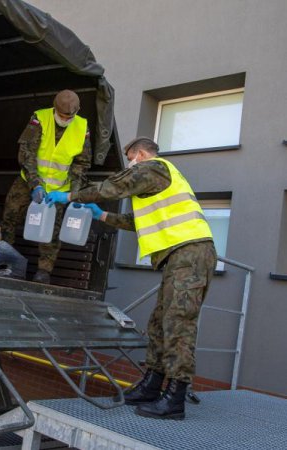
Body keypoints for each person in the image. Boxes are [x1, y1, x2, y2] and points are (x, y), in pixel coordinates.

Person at [46, 137, 217, 420]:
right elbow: (139, 223)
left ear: (138, 154)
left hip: (191, 252)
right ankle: (152, 385)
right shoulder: (154, 184)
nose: (129, 164)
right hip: (179, 255)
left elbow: (114, 185)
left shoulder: (154, 168)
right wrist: (102, 216)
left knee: (177, 321)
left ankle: (174, 398)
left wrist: (70, 196)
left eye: (129, 158)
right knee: (160, 321)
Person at [1, 90, 91, 284]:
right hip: (29, 182)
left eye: (70, 116)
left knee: (52, 230)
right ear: (55, 108)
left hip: (59, 190)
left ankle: (44, 272)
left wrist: (74, 193)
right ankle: (5, 260)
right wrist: (35, 184)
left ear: (77, 111)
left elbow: (82, 163)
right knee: (10, 215)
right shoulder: (40, 118)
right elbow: (27, 152)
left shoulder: (82, 126)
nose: (65, 119)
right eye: (62, 115)